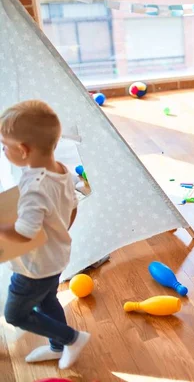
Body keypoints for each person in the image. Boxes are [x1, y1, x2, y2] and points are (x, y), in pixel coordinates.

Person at [0, 100, 90, 369]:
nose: (3, 150)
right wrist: (59, 232)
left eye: (5, 145)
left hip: (34, 268)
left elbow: (26, 232)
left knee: (15, 313)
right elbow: (72, 207)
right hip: (55, 257)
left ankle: (71, 338)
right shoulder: (60, 170)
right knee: (48, 300)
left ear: (23, 150)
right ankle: (57, 345)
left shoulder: (34, 186)